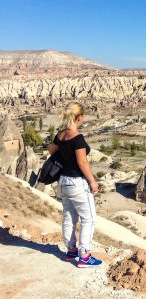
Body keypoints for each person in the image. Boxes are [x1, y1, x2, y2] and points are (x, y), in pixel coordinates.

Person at [48, 101, 102, 268]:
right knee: (89, 219)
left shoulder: (60, 135)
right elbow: (82, 162)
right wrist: (92, 181)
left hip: (63, 181)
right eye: (83, 116)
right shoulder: (77, 138)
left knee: (69, 217)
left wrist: (65, 159)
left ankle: (71, 251)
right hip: (77, 182)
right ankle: (84, 256)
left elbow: (51, 151)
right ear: (79, 117)